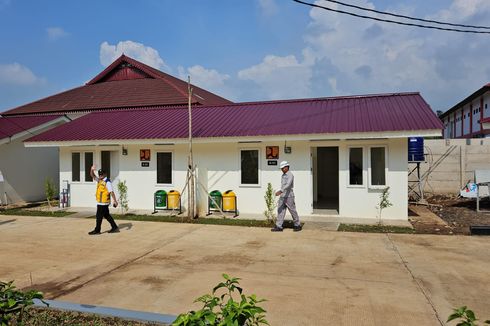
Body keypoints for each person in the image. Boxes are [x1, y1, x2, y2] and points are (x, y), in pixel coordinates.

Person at [271, 161, 302, 232]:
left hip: (289, 196)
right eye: (281, 168)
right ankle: (279, 226)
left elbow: (288, 185)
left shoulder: (290, 175)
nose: (282, 169)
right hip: (282, 196)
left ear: (287, 167)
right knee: (280, 211)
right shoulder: (283, 175)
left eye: (283, 168)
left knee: (292, 210)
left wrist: (281, 191)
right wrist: (281, 192)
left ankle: (297, 225)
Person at [88, 166, 119, 235]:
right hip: (101, 202)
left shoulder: (107, 182)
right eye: (99, 174)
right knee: (107, 215)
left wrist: (115, 201)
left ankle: (97, 230)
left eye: (101, 174)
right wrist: (91, 169)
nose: (100, 175)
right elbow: (92, 175)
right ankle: (114, 227)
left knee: (98, 216)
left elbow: (111, 192)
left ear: (105, 174)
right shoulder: (100, 180)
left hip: (103, 203)